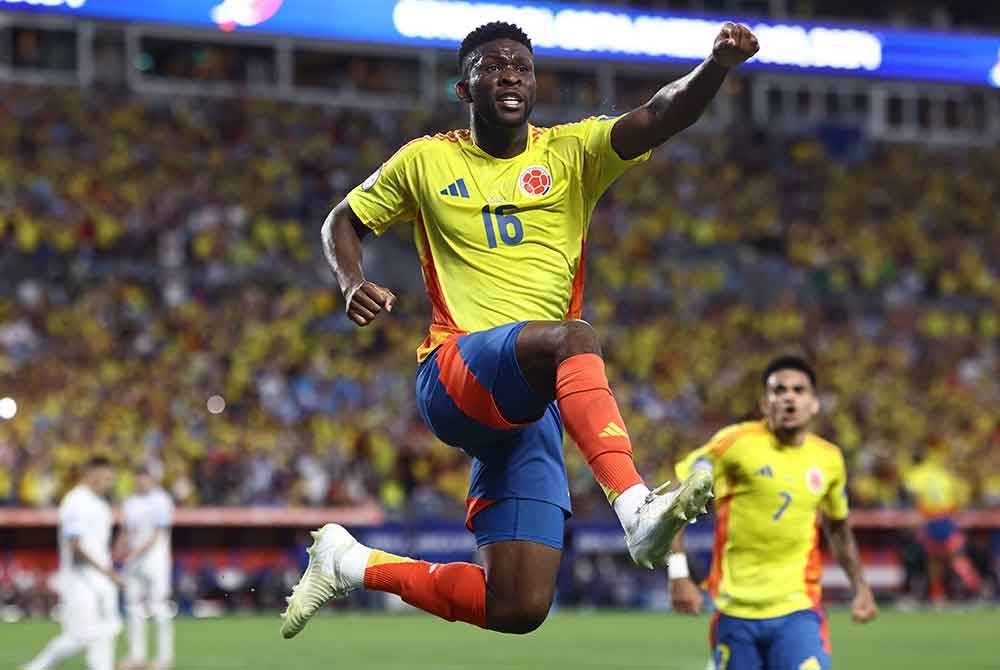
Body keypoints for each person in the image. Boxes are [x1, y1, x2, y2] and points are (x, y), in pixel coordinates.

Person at [281, 20, 759, 638]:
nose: (511, 73)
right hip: (454, 374)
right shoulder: (426, 159)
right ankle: (636, 507)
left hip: (528, 411)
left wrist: (716, 66)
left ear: (534, 83)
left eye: (522, 66)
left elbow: (660, 114)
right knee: (572, 337)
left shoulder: (572, 152)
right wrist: (351, 283)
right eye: (493, 65)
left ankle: (349, 562)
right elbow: (340, 220)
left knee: (518, 605)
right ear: (465, 87)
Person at [670, 356, 878, 670]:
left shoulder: (828, 459)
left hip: (798, 610)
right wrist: (678, 574)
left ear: (814, 404)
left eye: (798, 390)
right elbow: (679, 492)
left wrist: (860, 587)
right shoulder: (735, 443)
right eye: (779, 390)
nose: (789, 397)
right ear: (766, 403)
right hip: (735, 612)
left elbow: (837, 527)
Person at [22, 457, 122, 670]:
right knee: (81, 636)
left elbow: (99, 545)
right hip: (80, 579)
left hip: (100, 578)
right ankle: (36, 667)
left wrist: (108, 571)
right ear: (92, 475)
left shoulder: (102, 505)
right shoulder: (76, 501)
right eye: (106, 478)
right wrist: (107, 572)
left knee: (108, 630)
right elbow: (75, 547)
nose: (109, 483)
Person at [903, 445, 981, 605]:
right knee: (955, 556)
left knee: (935, 560)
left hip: (931, 517)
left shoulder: (916, 474)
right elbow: (957, 497)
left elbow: (913, 496)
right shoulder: (943, 474)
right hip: (948, 517)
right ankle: (974, 589)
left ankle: (939, 594)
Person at [116, 466, 176, 670]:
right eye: (138, 478)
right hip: (134, 561)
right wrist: (118, 549)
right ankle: (136, 656)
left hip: (155, 560)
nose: (141, 482)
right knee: (133, 607)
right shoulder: (130, 501)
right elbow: (125, 530)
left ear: (152, 479)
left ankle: (163, 658)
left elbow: (157, 534)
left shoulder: (161, 500)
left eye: (145, 478)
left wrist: (133, 553)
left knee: (159, 606)